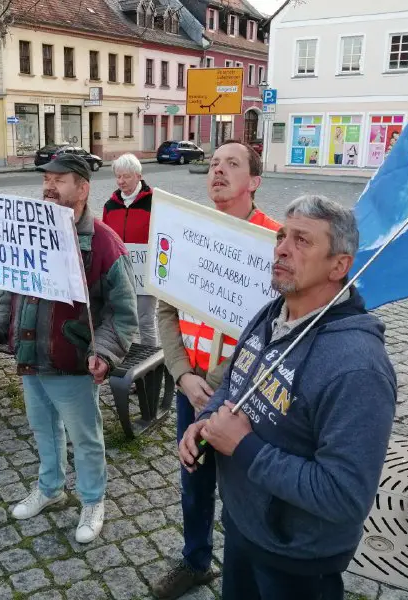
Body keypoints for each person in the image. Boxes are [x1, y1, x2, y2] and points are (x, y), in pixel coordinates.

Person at [179, 195, 397, 600]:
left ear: (339, 265)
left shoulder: (358, 368)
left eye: (302, 241)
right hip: (244, 527)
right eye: (282, 235)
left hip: (297, 558)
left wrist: (243, 447)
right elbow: (235, 382)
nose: (281, 248)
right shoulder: (272, 313)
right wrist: (205, 422)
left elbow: (345, 495)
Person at [0, 154, 138, 544]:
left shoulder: (103, 243)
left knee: (86, 438)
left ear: (82, 188)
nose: (49, 186)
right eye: (46, 178)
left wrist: (106, 352)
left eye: (59, 180)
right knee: (43, 429)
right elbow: (10, 290)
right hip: (31, 357)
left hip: (72, 362)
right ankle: (50, 488)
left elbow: (123, 313)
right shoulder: (26, 231)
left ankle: (94, 500)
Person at [152, 140, 280, 600]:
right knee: (194, 485)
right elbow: (166, 313)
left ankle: (254, 575)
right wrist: (184, 375)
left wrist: (222, 385)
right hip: (193, 393)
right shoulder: (189, 231)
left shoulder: (275, 243)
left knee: (249, 494)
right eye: (214, 163)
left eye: (232, 163)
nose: (218, 170)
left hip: (246, 403)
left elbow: (281, 333)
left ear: (255, 181)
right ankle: (196, 560)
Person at [102, 153, 158, 346]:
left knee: (145, 321)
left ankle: (150, 366)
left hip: (144, 273)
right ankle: (126, 359)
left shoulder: (154, 203)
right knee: (123, 319)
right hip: (121, 273)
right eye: (118, 176)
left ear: (138, 176)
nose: (121, 181)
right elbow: (106, 240)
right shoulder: (110, 206)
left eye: (126, 176)